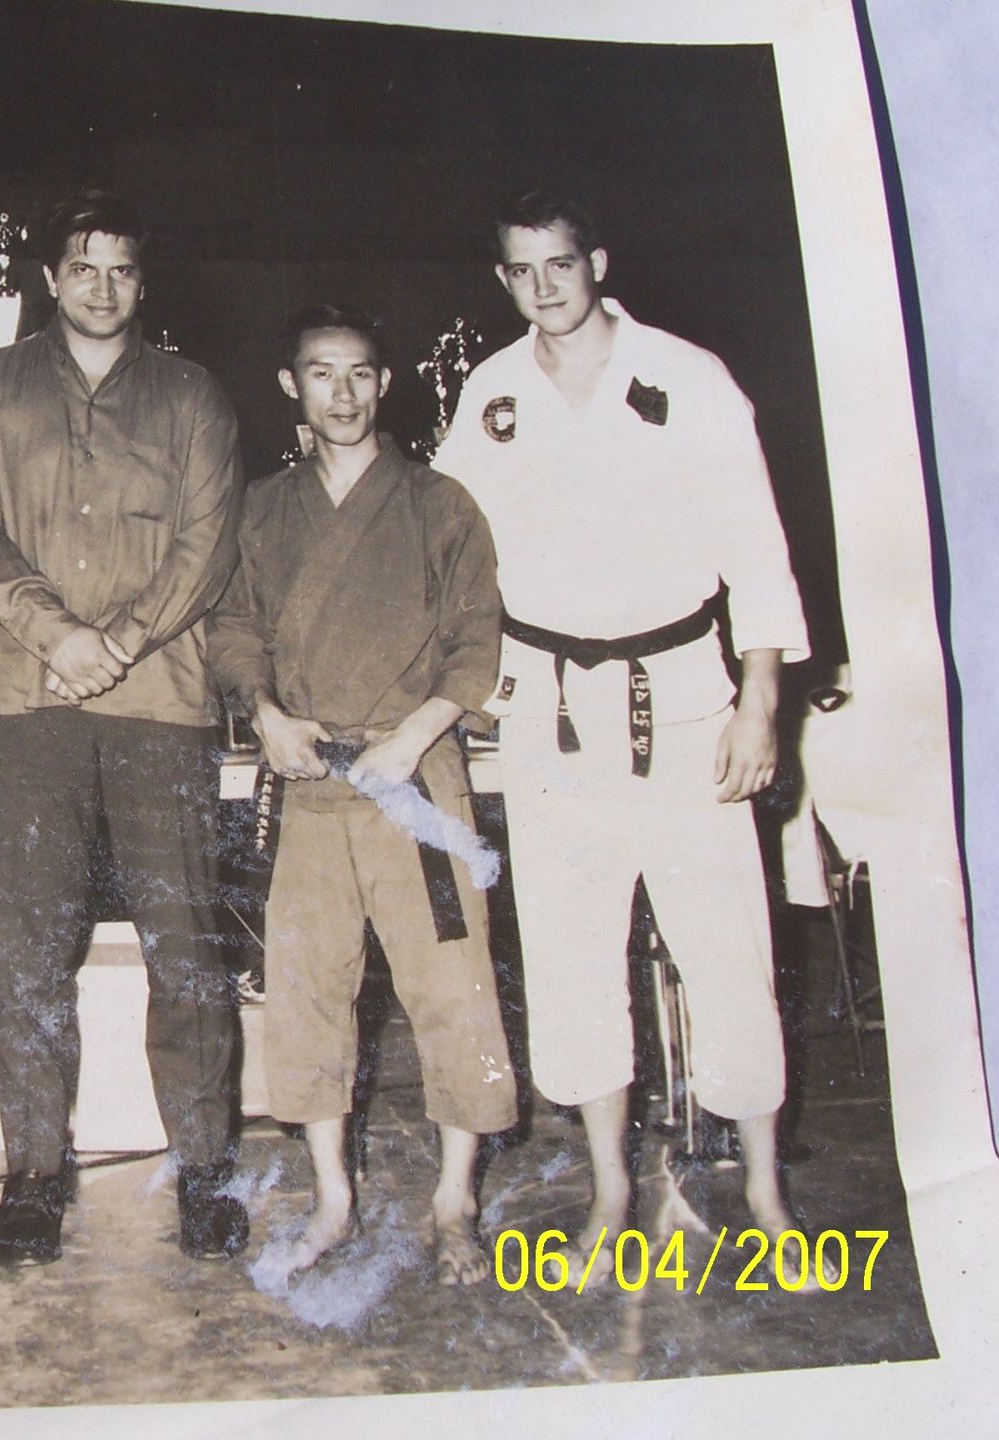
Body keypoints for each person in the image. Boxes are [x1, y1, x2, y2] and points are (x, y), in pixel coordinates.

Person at [433, 189, 817, 1278]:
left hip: (687, 697)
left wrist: (758, 699)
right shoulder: (494, 393)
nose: (544, 288)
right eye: (521, 271)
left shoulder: (689, 379)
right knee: (569, 950)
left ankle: (764, 1184)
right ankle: (609, 1187)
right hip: (550, 707)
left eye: (560, 265)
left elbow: (758, 547)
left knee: (726, 947)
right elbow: (455, 548)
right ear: (503, 279)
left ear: (596, 260)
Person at [0, 190, 247, 1266]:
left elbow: (209, 545)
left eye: (121, 269)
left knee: (188, 946)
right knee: (29, 948)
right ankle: (33, 1173)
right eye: (83, 268)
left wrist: (112, 640)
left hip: (160, 700)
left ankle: (205, 1169)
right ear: (47, 276)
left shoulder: (194, 395)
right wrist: (55, 635)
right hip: (31, 701)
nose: (102, 287)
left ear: (143, 282)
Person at [210, 306, 518, 1282]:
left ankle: (455, 1200)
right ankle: (333, 1197)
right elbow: (234, 628)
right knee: (307, 993)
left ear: (385, 384)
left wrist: (419, 731)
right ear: (290, 385)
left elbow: (476, 638)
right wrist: (263, 710)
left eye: (359, 374)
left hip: (414, 781)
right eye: (320, 374)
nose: (340, 393)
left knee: (450, 987)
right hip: (309, 780)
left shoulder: (438, 504)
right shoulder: (262, 509)